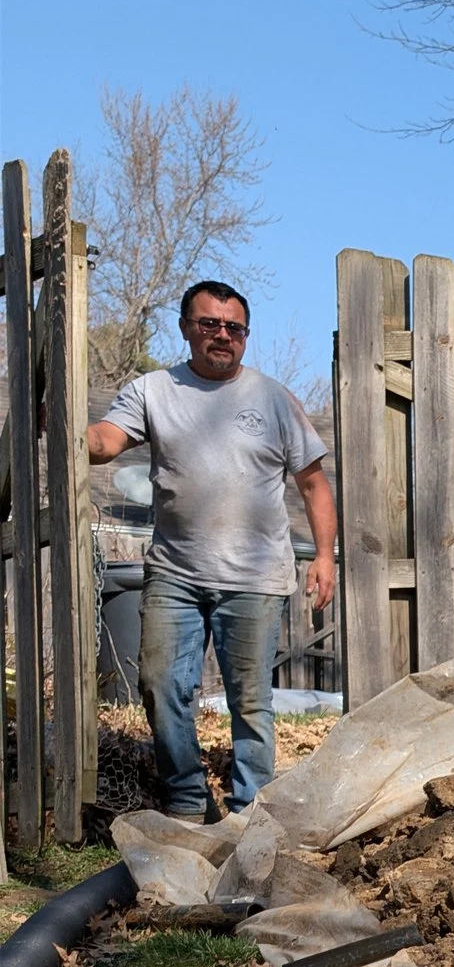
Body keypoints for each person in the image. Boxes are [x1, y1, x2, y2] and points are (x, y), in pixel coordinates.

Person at [86, 281, 337, 822]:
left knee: (251, 698)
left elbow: (314, 484)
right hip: (175, 570)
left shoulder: (272, 399)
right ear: (185, 328)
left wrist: (324, 556)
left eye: (234, 328)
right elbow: (105, 442)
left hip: (254, 577)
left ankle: (251, 810)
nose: (222, 335)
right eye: (209, 324)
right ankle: (187, 796)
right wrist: (65, 430)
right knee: (159, 685)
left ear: (245, 336)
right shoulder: (154, 390)